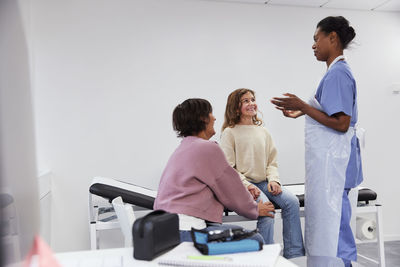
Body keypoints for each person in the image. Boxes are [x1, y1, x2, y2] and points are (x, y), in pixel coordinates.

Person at [271, 16, 362, 267]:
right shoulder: (333, 73)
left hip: (334, 168)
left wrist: (302, 105)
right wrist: (302, 111)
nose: (313, 45)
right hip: (330, 167)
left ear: (332, 38)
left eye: (316, 39)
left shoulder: (338, 73)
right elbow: (329, 111)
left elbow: (342, 123)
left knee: (334, 231)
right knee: (329, 228)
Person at [154, 98, 275, 243]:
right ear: (202, 119)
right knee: (255, 240)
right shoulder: (207, 148)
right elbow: (231, 189)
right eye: (210, 113)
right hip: (187, 231)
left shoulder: (183, 148)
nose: (215, 117)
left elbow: (210, 187)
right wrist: (254, 209)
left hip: (164, 229)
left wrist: (245, 189)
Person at [219, 88, 305, 259]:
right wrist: (248, 185)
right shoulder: (230, 133)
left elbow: (271, 162)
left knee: (292, 202)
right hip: (243, 185)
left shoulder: (263, 132)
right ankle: (264, 257)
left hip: (264, 182)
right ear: (236, 108)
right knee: (266, 208)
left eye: (252, 99)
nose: (251, 103)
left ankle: (295, 255)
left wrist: (274, 180)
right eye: (246, 101)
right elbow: (229, 168)